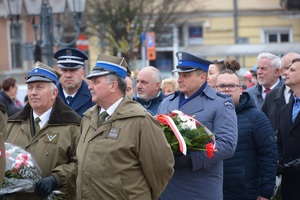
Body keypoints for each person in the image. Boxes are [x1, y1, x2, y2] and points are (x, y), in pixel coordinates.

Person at [76, 54, 174, 200]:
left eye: (96, 81)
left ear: (113, 86)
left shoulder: (140, 120)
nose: (89, 86)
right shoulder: (88, 117)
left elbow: (161, 168)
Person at [157, 52, 238, 200]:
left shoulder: (220, 103)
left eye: (186, 75)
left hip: (199, 187)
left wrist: (191, 158)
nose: (180, 79)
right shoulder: (167, 102)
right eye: (179, 75)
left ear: (202, 77)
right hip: (169, 187)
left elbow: (227, 145)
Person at [2, 61, 81, 200]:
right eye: (30, 87)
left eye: (39, 87)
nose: (33, 93)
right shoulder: (13, 124)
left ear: (54, 93)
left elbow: (82, 164)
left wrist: (56, 179)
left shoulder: (72, 125)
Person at [216, 69, 278, 200]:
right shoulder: (207, 117)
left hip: (245, 192)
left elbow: (269, 155)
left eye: (232, 86)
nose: (226, 90)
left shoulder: (256, 117)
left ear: (240, 89)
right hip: (213, 190)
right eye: (221, 86)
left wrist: (265, 192)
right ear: (215, 89)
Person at [277, 57, 300, 200]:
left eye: (292, 70)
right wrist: (278, 162)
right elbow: (280, 142)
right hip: (290, 184)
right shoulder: (285, 110)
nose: (286, 73)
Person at [262, 52, 300, 132]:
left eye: (292, 69)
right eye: (288, 68)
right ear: (281, 71)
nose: (287, 72)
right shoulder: (271, 96)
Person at [54, 47, 95, 117]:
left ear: (82, 74)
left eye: (73, 70)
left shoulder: (94, 98)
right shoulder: (50, 98)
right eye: (64, 70)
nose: (68, 75)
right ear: (58, 73)